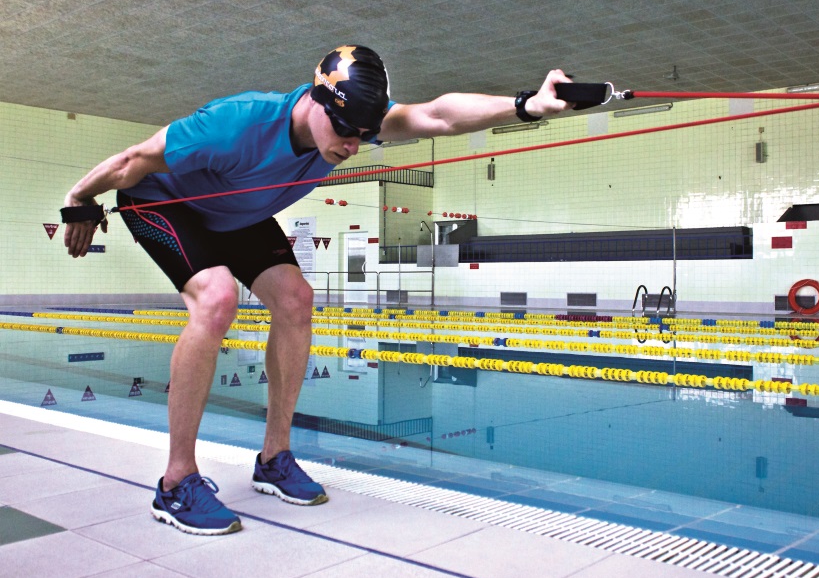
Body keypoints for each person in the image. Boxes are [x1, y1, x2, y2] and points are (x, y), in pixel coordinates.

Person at [62, 45, 573, 535]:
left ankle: (274, 459)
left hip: (238, 211)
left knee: (296, 300)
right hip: (164, 201)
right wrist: (80, 197)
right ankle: (175, 483)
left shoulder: (353, 124)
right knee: (216, 299)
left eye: (365, 136)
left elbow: (438, 115)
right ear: (316, 99)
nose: (352, 148)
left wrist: (528, 104)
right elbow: (134, 160)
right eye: (347, 132)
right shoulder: (236, 123)